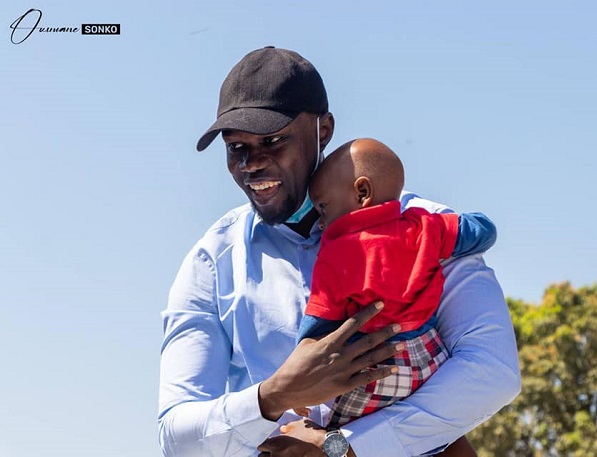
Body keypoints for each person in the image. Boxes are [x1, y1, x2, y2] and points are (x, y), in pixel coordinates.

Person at [158, 46, 521, 457]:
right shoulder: (212, 261)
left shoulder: (421, 225)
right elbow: (176, 435)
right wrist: (273, 396)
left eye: (273, 140)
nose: (252, 164)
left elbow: (493, 372)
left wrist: (343, 450)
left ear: (323, 130)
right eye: (236, 148)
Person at [293, 138, 496, 430]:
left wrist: (299, 378)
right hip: (432, 358)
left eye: (323, 207)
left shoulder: (336, 255)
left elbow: (318, 326)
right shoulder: (424, 226)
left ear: (362, 192)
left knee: (330, 435)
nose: (320, 222)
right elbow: (481, 231)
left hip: (376, 368)